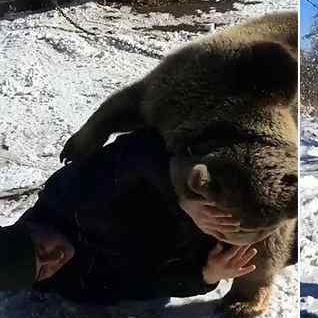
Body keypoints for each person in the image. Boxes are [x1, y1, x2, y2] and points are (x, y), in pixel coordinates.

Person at [0, 129, 257, 304]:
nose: (56, 258)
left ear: (30, 226)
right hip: (213, 242)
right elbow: (145, 286)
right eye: (43, 270)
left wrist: (185, 196)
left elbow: (141, 147)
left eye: (42, 249)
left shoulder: (70, 192)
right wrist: (206, 275)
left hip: (204, 182)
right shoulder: (72, 285)